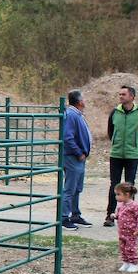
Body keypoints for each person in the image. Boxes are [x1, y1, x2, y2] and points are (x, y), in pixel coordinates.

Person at [103, 85, 138, 227]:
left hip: (132, 156)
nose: (121, 96)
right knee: (114, 185)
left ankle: (129, 217)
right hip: (116, 155)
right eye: (120, 94)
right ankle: (110, 216)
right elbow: (110, 132)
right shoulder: (114, 112)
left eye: (123, 94)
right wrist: (116, 143)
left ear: (132, 97)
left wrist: (136, 147)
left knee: (129, 186)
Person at [61, 90, 92, 230]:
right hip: (73, 157)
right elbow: (67, 137)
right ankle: (63, 218)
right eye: (83, 99)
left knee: (77, 188)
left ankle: (75, 215)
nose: (85, 101)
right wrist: (79, 153)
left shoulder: (76, 114)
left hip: (78, 158)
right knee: (70, 188)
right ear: (79, 101)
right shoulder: (72, 115)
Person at [114, 182, 138, 273]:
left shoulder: (135, 206)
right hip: (122, 232)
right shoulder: (121, 206)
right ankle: (126, 262)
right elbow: (120, 216)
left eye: (118, 194)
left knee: (131, 248)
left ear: (127, 194)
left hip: (131, 233)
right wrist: (115, 216)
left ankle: (134, 264)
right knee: (123, 247)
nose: (116, 197)